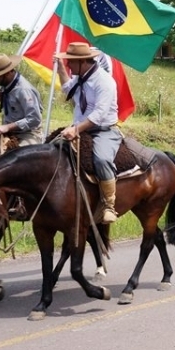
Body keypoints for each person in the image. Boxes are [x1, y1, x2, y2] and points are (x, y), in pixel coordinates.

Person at [55, 42, 121, 224]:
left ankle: (109, 205)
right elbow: (68, 89)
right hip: (80, 127)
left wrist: (75, 129)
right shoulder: (81, 77)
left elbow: (99, 115)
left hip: (103, 131)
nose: (68, 64)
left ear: (83, 61)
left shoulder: (104, 81)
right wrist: (60, 68)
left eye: (70, 62)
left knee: (101, 159)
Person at [0, 53, 44, 146]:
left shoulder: (24, 90)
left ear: (6, 73)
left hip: (28, 134)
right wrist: (3, 98)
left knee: (16, 157)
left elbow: (34, 119)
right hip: (11, 132)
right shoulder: (7, 85)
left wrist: (7, 127)